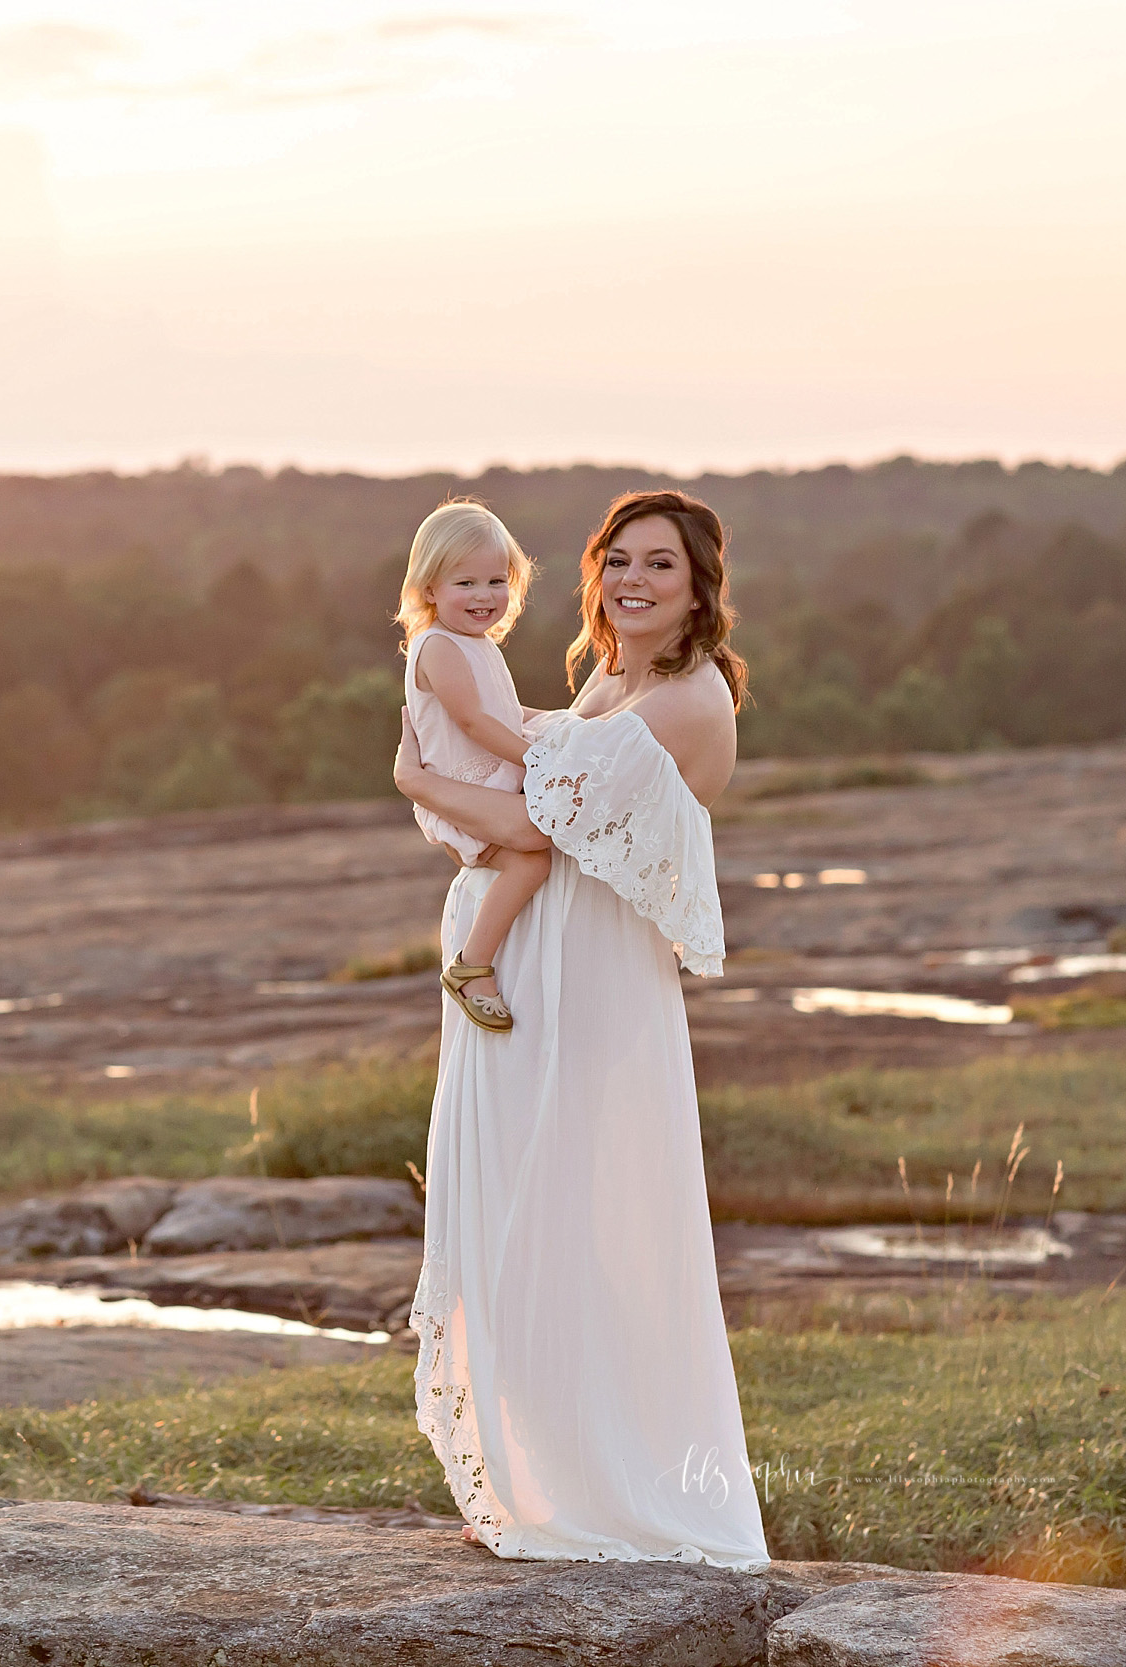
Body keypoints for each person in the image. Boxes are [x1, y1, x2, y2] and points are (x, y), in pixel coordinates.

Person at [394, 488, 769, 1570]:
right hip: (538, 964)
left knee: (568, 1206)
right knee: (522, 1202)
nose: (633, 581)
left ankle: (606, 1490)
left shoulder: (687, 698)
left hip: (590, 981)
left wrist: (414, 776)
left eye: (660, 564)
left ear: (699, 585)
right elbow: (533, 794)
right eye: (617, 561)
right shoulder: (611, 677)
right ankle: (537, 1476)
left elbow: (527, 822)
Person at [395, 501, 553, 1034]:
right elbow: (473, 722)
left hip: (490, 782)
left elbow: (502, 711)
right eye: (466, 582)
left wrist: (557, 720)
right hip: (467, 792)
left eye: (496, 580)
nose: (484, 596)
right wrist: (538, 760)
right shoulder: (437, 647)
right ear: (430, 588)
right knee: (532, 863)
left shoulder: (474, 643)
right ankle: (472, 965)